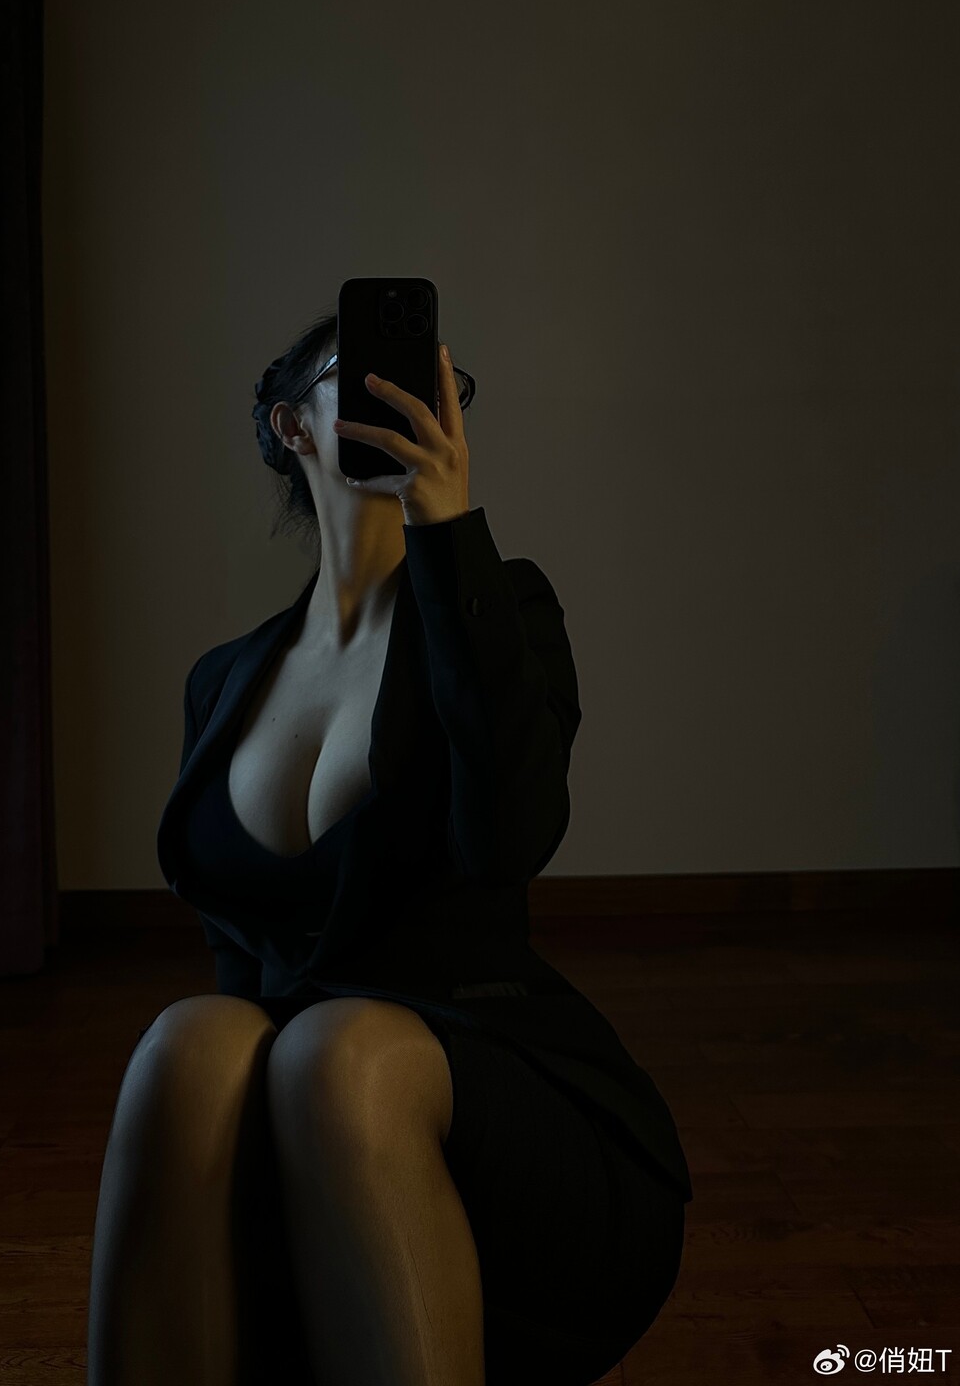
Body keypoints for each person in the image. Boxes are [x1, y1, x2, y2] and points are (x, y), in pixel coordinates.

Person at [87, 306, 692, 1386]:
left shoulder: (500, 606)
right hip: (301, 1128)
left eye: (435, 379)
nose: (409, 397)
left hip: (489, 1102)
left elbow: (509, 841)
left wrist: (447, 528)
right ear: (294, 427)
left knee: (339, 1051)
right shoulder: (223, 680)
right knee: (189, 1041)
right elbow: (240, 957)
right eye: (360, 376)